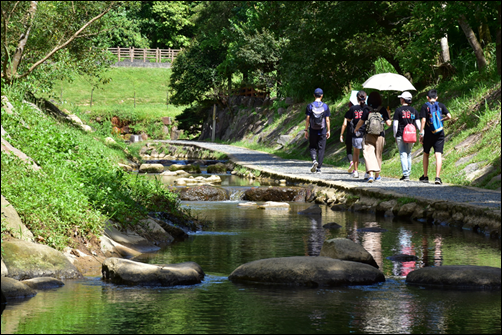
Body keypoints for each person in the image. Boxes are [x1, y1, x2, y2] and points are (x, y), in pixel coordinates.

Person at [354, 91, 391, 183]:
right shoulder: (382, 109)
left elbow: (361, 121)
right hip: (380, 134)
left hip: (368, 134)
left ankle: (370, 175)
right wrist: (388, 114)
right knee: (378, 155)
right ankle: (377, 176)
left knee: (368, 153)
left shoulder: (367, 109)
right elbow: (389, 123)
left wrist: (356, 129)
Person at [419, 89, 451, 185]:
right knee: (438, 155)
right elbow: (449, 116)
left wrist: (421, 133)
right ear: (436, 97)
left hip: (429, 133)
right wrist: (442, 119)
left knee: (426, 154)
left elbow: (423, 120)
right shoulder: (441, 105)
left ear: (427, 97)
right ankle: (437, 177)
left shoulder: (425, 106)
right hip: (439, 133)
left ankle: (425, 176)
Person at [393, 91, 421, 181]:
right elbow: (418, 124)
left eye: (401, 98)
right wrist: (421, 133)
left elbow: (395, 125)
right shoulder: (414, 110)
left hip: (401, 134)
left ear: (403, 99)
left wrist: (395, 134)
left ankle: (405, 174)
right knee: (408, 154)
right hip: (411, 135)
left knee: (403, 154)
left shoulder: (398, 110)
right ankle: (408, 173)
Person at [304, 88, 331, 173]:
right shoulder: (325, 106)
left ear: (314, 95)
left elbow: (308, 119)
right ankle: (319, 168)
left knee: (312, 146)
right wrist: (328, 130)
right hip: (322, 130)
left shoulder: (310, 106)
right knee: (321, 149)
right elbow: (327, 120)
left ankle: (314, 160)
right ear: (322, 96)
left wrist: (306, 130)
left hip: (312, 130)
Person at [342, 91, 367, 178]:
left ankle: (356, 171)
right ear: (366, 98)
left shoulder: (353, 108)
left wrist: (354, 121)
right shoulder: (368, 108)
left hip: (357, 133)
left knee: (356, 153)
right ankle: (368, 172)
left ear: (357, 99)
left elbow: (348, 118)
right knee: (366, 153)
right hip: (367, 133)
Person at [340, 101, 354, 173]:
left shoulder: (348, 113)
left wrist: (341, 134)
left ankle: (351, 162)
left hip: (349, 133)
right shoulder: (359, 112)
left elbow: (344, 124)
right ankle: (356, 167)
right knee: (356, 150)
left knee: (349, 150)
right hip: (358, 134)